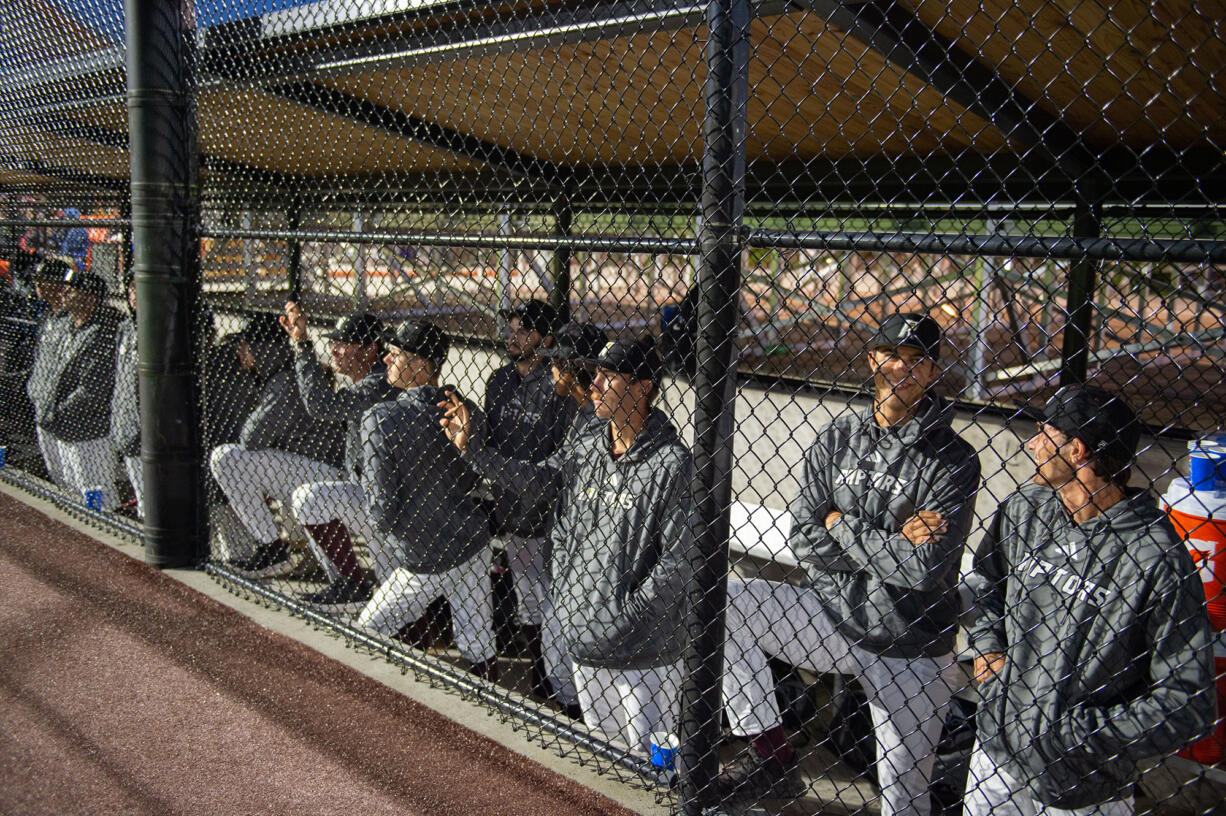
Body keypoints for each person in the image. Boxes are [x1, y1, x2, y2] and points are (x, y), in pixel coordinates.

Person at [709, 312, 981, 815]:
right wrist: (888, 540)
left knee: (904, 799)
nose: (903, 367)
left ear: (932, 371)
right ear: (873, 357)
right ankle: (771, 753)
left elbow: (924, 569)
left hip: (910, 641)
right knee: (725, 601)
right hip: (833, 617)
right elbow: (803, 536)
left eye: (918, 359)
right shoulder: (839, 435)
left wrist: (841, 523)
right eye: (893, 354)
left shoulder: (954, 456)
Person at [964, 385, 1215, 816]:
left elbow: (1188, 700)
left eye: (1044, 433)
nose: (1032, 443)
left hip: (1084, 788)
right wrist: (989, 647)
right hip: (997, 759)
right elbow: (986, 580)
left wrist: (1077, 733)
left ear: (1078, 450)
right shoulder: (1026, 508)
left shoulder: (1154, 557)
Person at [444, 336, 691, 756]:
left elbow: (677, 564)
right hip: (585, 640)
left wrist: (622, 617)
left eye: (607, 376)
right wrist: (474, 452)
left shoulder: (672, 464)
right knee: (607, 764)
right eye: (594, 374)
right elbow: (539, 483)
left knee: (658, 768)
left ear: (644, 386)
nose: (592, 384)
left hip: (643, 656)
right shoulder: (586, 447)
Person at [442, 320, 609, 708]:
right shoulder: (584, 418)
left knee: (560, 633)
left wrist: (477, 454)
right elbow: (545, 472)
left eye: (556, 363)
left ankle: (572, 705)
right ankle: (568, 703)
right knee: (547, 623)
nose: (549, 370)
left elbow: (544, 479)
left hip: (574, 546)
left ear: (571, 369)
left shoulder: (586, 417)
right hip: (558, 536)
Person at [356, 320, 499, 680]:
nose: (386, 357)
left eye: (397, 353)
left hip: (425, 554)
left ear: (422, 364)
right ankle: (488, 706)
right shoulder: (467, 412)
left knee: (365, 632)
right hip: (472, 538)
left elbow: (382, 512)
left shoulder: (380, 418)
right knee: (478, 641)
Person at [279, 302, 398, 611]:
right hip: (370, 494)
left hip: (389, 504)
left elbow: (320, 405)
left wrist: (303, 346)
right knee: (310, 499)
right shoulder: (368, 380)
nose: (333, 350)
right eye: (332, 343)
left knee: (395, 605)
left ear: (370, 348)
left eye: (342, 344)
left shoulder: (379, 384)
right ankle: (349, 583)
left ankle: (354, 585)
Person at [209, 312, 345, 578]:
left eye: (246, 347)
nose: (241, 354)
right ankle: (281, 550)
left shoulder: (285, 380)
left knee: (225, 457)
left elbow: (251, 438)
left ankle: (272, 547)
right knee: (235, 458)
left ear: (263, 349)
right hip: (312, 470)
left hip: (325, 474)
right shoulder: (281, 374)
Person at [483, 299, 575, 690]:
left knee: (550, 600)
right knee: (528, 597)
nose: (514, 336)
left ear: (546, 338)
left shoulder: (558, 388)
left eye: (524, 331)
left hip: (546, 513)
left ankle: (557, 682)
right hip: (508, 505)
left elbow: (560, 458)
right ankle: (541, 675)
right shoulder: (499, 381)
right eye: (512, 329)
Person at [33, 263, 121, 509]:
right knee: (72, 489)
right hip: (64, 426)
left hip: (89, 430)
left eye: (71, 290)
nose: (64, 293)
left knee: (97, 494)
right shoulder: (69, 327)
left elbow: (92, 389)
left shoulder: (101, 332)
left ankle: (106, 537)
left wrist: (55, 413)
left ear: (89, 297)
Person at [26, 257, 73, 487]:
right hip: (42, 404)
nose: (38, 285)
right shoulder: (47, 318)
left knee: (73, 478)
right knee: (56, 475)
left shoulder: (72, 322)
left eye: (44, 280)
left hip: (62, 411)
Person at [110, 278, 143, 517]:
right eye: (131, 289)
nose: (134, 294)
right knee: (143, 500)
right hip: (126, 425)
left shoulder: (160, 329)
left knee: (155, 502)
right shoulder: (127, 327)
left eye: (139, 288)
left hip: (149, 435)